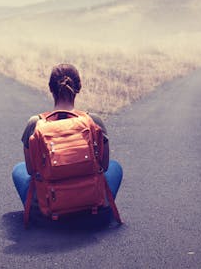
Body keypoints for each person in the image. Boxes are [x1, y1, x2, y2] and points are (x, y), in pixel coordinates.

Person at [12, 63, 123, 208]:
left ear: (50, 88)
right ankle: (101, 205)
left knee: (18, 169)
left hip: (51, 204)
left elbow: (31, 170)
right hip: (91, 204)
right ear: (79, 88)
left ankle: (37, 208)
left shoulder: (35, 123)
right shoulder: (94, 121)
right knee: (115, 167)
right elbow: (104, 166)